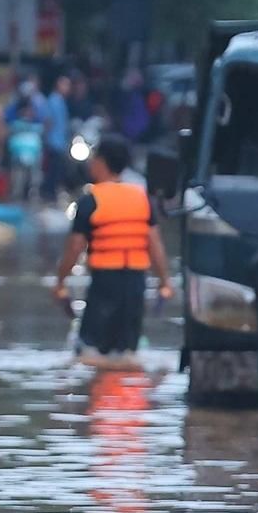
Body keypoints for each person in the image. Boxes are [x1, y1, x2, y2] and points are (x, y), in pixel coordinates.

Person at [52, 135, 173, 360]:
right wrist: (165, 282)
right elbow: (155, 245)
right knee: (126, 351)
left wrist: (60, 282)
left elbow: (74, 248)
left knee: (90, 350)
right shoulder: (141, 198)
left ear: (101, 162)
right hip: (136, 283)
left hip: (105, 283)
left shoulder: (90, 201)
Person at [7, 101, 45, 202]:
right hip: (18, 156)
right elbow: (11, 141)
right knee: (18, 177)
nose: (28, 112)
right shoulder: (15, 126)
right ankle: (17, 196)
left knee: (34, 177)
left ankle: (33, 194)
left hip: (34, 156)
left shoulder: (37, 127)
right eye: (25, 110)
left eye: (30, 110)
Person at [43, 74, 72, 194]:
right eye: (65, 85)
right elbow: (48, 121)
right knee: (52, 170)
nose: (67, 88)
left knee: (57, 170)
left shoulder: (61, 101)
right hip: (53, 141)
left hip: (60, 142)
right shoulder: (53, 100)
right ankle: (48, 192)